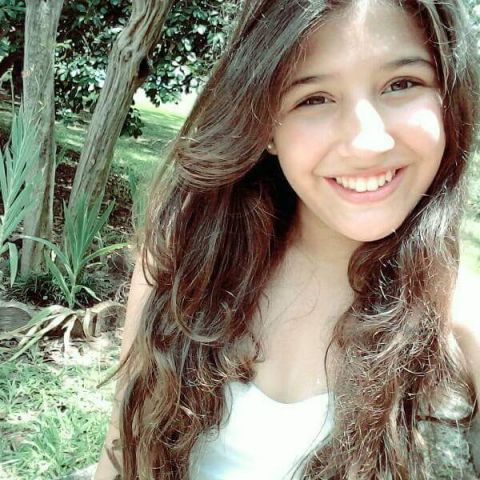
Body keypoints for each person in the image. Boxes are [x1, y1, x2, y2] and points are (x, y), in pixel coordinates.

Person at [94, 0, 480, 478]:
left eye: (402, 84)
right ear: (264, 127)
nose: (368, 143)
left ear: (448, 100)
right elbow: (124, 452)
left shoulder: (463, 330)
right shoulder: (183, 259)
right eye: (313, 98)